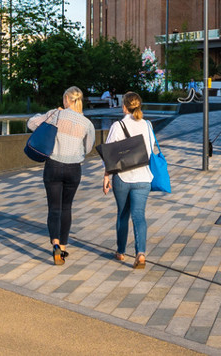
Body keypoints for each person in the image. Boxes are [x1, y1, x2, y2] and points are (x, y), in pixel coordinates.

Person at [27, 86, 96, 264]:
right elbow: (88, 148)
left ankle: (55, 245)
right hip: (74, 169)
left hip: (54, 165)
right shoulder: (87, 123)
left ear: (67, 99)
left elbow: (31, 124)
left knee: (54, 208)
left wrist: (50, 115)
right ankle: (64, 247)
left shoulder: (56, 114)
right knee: (67, 207)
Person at [101, 91, 157, 270]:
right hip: (144, 177)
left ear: (124, 106)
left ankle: (121, 251)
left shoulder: (118, 126)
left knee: (123, 214)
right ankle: (140, 253)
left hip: (123, 178)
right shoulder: (148, 125)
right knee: (139, 215)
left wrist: (106, 176)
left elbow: (108, 155)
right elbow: (151, 148)